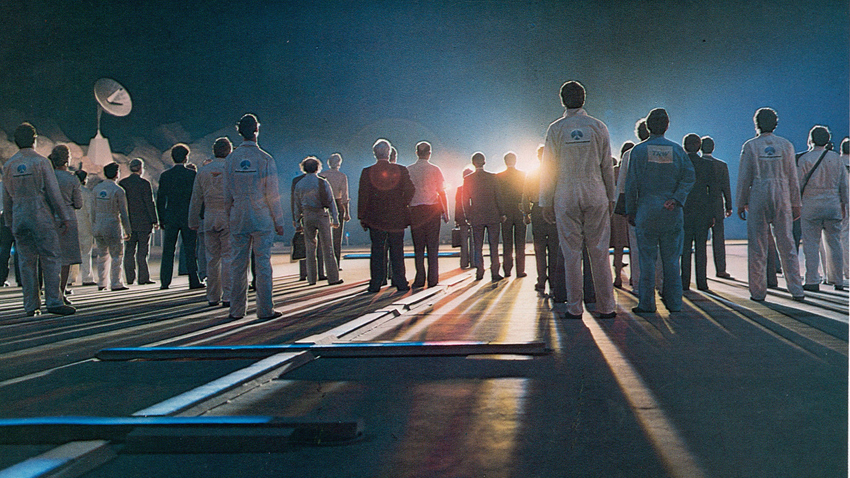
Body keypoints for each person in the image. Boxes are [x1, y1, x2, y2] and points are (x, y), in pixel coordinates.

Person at [539, 80, 616, 319]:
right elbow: (607, 165)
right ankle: (607, 307)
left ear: (562, 101)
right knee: (599, 252)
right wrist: (611, 196)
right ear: (584, 99)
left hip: (566, 193)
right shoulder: (598, 126)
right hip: (595, 191)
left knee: (571, 254)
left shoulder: (556, 129)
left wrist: (545, 200)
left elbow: (548, 168)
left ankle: (574, 307)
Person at [625, 108, 695, 313]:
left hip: (646, 210)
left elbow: (631, 184)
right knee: (672, 260)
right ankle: (674, 303)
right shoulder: (677, 150)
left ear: (648, 127)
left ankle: (647, 303)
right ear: (667, 126)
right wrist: (677, 198)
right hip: (671, 211)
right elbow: (689, 177)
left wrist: (631, 210)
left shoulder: (638, 151)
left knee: (646, 260)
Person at [1, 123, 75, 315]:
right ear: (34, 140)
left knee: (26, 261)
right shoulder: (41, 162)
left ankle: (31, 305)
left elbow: (6, 197)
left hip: (19, 215)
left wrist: (9, 221)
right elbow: (53, 192)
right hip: (39, 214)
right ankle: (54, 301)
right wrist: (64, 217)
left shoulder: (9, 165)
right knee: (50, 256)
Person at [736, 107, 805, 302]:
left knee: (757, 245)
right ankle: (796, 289)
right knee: (787, 243)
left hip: (758, 193)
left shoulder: (750, 146)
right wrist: (796, 203)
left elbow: (744, 177)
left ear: (756, 124)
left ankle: (758, 292)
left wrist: (741, 202)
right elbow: (793, 176)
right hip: (782, 194)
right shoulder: (786, 145)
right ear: (775, 124)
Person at [224, 114, 285, 320]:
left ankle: (236, 310)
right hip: (261, 215)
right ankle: (265, 309)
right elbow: (272, 193)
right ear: (256, 130)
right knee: (263, 264)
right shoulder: (265, 159)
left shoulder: (231, 159)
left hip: (238, 214)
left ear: (239, 132)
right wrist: (278, 221)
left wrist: (229, 216)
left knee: (237, 264)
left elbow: (226, 193)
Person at [358, 138, 415, 293]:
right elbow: (410, 189)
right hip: (396, 216)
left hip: (375, 217)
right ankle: (400, 281)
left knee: (377, 250)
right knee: (397, 250)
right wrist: (402, 203)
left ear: (375, 154)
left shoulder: (367, 172)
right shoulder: (401, 170)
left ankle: (376, 283)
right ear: (389, 153)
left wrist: (362, 217)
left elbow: (363, 196)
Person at [797, 125, 847, 291]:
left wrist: (795, 204)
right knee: (835, 243)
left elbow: (798, 184)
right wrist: (844, 204)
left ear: (811, 139)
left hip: (811, 205)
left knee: (811, 244)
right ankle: (837, 279)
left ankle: (812, 280)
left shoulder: (805, 159)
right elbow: (843, 185)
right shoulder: (836, 158)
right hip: (832, 204)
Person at [189, 137, 234, 307]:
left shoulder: (203, 171)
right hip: (227, 215)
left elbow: (196, 199)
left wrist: (193, 220)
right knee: (228, 256)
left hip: (209, 216)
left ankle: (212, 295)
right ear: (229, 151)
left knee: (212, 258)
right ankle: (228, 295)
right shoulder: (231, 169)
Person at [157, 144, 203, 290]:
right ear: (186, 158)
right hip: (187, 216)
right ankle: (193, 279)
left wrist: (161, 217)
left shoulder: (165, 176)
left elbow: (160, 199)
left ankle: (165, 281)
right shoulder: (192, 175)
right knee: (190, 249)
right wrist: (199, 215)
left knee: (168, 250)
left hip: (171, 216)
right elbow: (197, 197)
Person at [294, 156, 343, 286]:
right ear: (317, 168)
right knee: (327, 247)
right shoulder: (322, 182)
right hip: (321, 214)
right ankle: (333, 277)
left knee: (310, 248)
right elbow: (331, 201)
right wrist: (335, 218)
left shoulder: (299, 184)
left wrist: (297, 221)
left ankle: (311, 278)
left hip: (307, 215)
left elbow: (297, 205)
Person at [617, 119, 651, 295]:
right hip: (662, 206)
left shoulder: (629, 154)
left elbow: (622, 185)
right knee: (661, 248)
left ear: (638, 134)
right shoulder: (668, 150)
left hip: (637, 207)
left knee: (636, 249)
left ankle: (638, 285)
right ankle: (661, 283)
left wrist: (624, 209)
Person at [407, 141, 448, 289]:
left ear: (417, 153)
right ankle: (433, 279)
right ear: (429, 153)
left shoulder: (409, 170)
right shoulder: (435, 169)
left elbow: (406, 193)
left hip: (416, 211)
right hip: (432, 210)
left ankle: (419, 278)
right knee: (432, 245)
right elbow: (442, 192)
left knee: (418, 247)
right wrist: (445, 212)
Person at [463, 152, 506, 282]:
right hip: (493, 215)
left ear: (473, 163)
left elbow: (465, 200)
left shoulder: (468, 179)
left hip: (477, 215)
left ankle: (479, 272)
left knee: (478, 245)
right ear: (484, 162)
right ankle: (495, 272)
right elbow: (498, 196)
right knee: (494, 245)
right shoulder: (492, 177)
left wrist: (468, 216)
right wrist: (502, 213)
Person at [681, 134, 715, 292]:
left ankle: (684, 282)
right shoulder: (707, 165)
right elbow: (712, 191)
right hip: (702, 211)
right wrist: (712, 213)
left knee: (685, 248)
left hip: (685, 210)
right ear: (699, 146)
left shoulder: (681, 164)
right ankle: (702, 282)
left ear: (684, 146)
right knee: (701, 248)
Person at [49, 145, 82, 301]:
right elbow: (78, 203)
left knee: (50, 257)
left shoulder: (47, 177)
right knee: (66, 260)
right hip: (68, 218)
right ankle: (60, 293)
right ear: (67, 159)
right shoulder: (72, 179)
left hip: (49, 218)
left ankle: (50, 291)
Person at [523, 145, 558, 294]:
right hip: (552, 209)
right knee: (554, 247)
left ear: (538, 157)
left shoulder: (531, 173)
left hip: (537, 210)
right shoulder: (555, 172)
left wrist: (526, 213)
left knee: (539, 247)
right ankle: (554, 281)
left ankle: (541, 280)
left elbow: (525, 195)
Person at [92, 162, 131, 291]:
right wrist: (127, 229)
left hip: (98, 223)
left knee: (102, 254)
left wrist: (94, 225)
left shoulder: (96, 189)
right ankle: (116, 282)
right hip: (112, 224)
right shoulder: (118, 190)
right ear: (116, 174)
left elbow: (92, 209)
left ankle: (102, 282)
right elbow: (123, 212)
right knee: (116, 254)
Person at [118, 158, 158, 286]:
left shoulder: (123, 183)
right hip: (144, 222)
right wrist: (154, 220)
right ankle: (143, 277)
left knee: (129, 251)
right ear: (141, 168)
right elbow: (149, 203)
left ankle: (130, 277)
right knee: (142, 251)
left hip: (129, 222)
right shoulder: (144, 184)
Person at [699, 136, 733, 279]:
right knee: (718, 238)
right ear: (713, 148)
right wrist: (729, 205)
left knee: (700, 240)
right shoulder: (721, 165)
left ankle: (701, 272)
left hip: (700, 206)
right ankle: (721, 269)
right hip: (717, 205)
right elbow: (726, 187)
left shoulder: (696, 164)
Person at [497, 151, 528, 278]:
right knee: (520, 243)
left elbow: (498, 197)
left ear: (505, 162)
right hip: (520, 211)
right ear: (515, 161)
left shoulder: (499, 177)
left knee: (507, 242)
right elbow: (525, 194)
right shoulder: (523, 175)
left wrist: (501, 212)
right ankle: (520, 270)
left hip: (506, 212)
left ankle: (507, 269)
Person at [319, 153, 350, 269]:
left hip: (323, 204)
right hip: (337, 203)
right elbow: (344, 196)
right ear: (339, 163)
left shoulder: (322, 175)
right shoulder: (342, 176)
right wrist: (347, 212)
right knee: (337, 236)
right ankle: (335, 264)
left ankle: (321, 264)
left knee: (322, 236)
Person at [611, 143, 634, 288]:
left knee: (618, 247)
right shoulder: (633, 171)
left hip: (616, 210)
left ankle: (617, 277)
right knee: (633, 246)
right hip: (631, 208)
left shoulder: (614, 171)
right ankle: (633, 277)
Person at [74, 170, 96, 286]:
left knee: (72, 252)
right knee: (86, 252)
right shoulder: (87, 193)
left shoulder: (70, 191)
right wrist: (94, 226)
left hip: (72, 225)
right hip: (85, 225)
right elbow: (90, 212)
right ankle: (87, 278)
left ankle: (70, 278)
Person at [455, 167, 475, 270]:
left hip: (462, 218)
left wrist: (457, 219)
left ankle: (464, 262)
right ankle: (474, 261)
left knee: (464, 242)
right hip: (474, 217)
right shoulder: (476, 188)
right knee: (474, 241)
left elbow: (458, 205)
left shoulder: (460, 189)